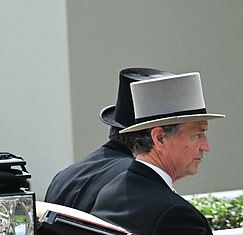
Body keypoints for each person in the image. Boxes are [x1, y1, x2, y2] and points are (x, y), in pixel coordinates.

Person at [91, 72, 226, 235]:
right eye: (198, 133)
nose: (206, 146)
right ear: (160, 138)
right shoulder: (175, 214)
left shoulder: (111, 191)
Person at [44, 68, 173, 213]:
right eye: (195, 133)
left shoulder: (64, 175)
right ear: (159, 137)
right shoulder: (136, 179)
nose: (203, 146)